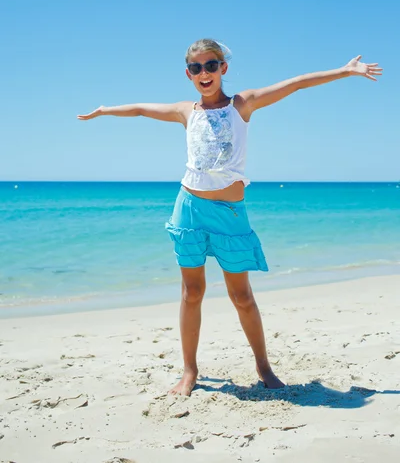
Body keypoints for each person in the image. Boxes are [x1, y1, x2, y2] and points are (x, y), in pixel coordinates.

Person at [77, 38, 382, 396]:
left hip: (230, 215)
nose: (203, 73)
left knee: (242, 297)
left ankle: (263, 366)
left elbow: (297, 83)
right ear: (188, 74)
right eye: (196, 68)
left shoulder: (243, 105)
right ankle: (189, 371)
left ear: (223, 68)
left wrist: (345, 71)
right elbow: (143, 109)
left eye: (210, 65)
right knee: (192, 292)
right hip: (189, 207)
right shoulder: (185, 111)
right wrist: (105, 109)